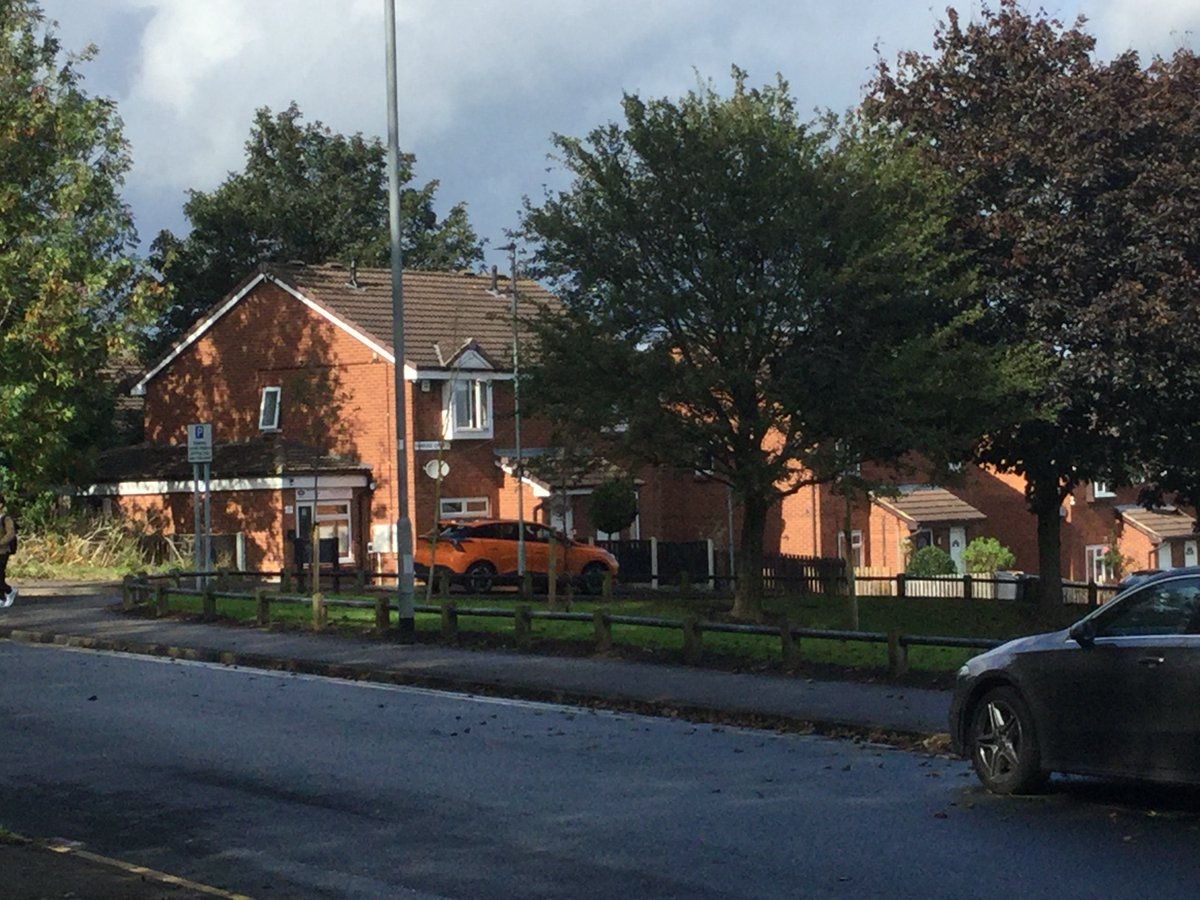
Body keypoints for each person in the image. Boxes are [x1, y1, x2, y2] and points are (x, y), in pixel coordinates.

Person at [0, 494, 16, 607]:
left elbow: (11, 533)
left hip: (2, 551)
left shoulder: (6, 518)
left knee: (0, 574)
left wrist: (1, 543)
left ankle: (9, 591)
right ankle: (1, 597)